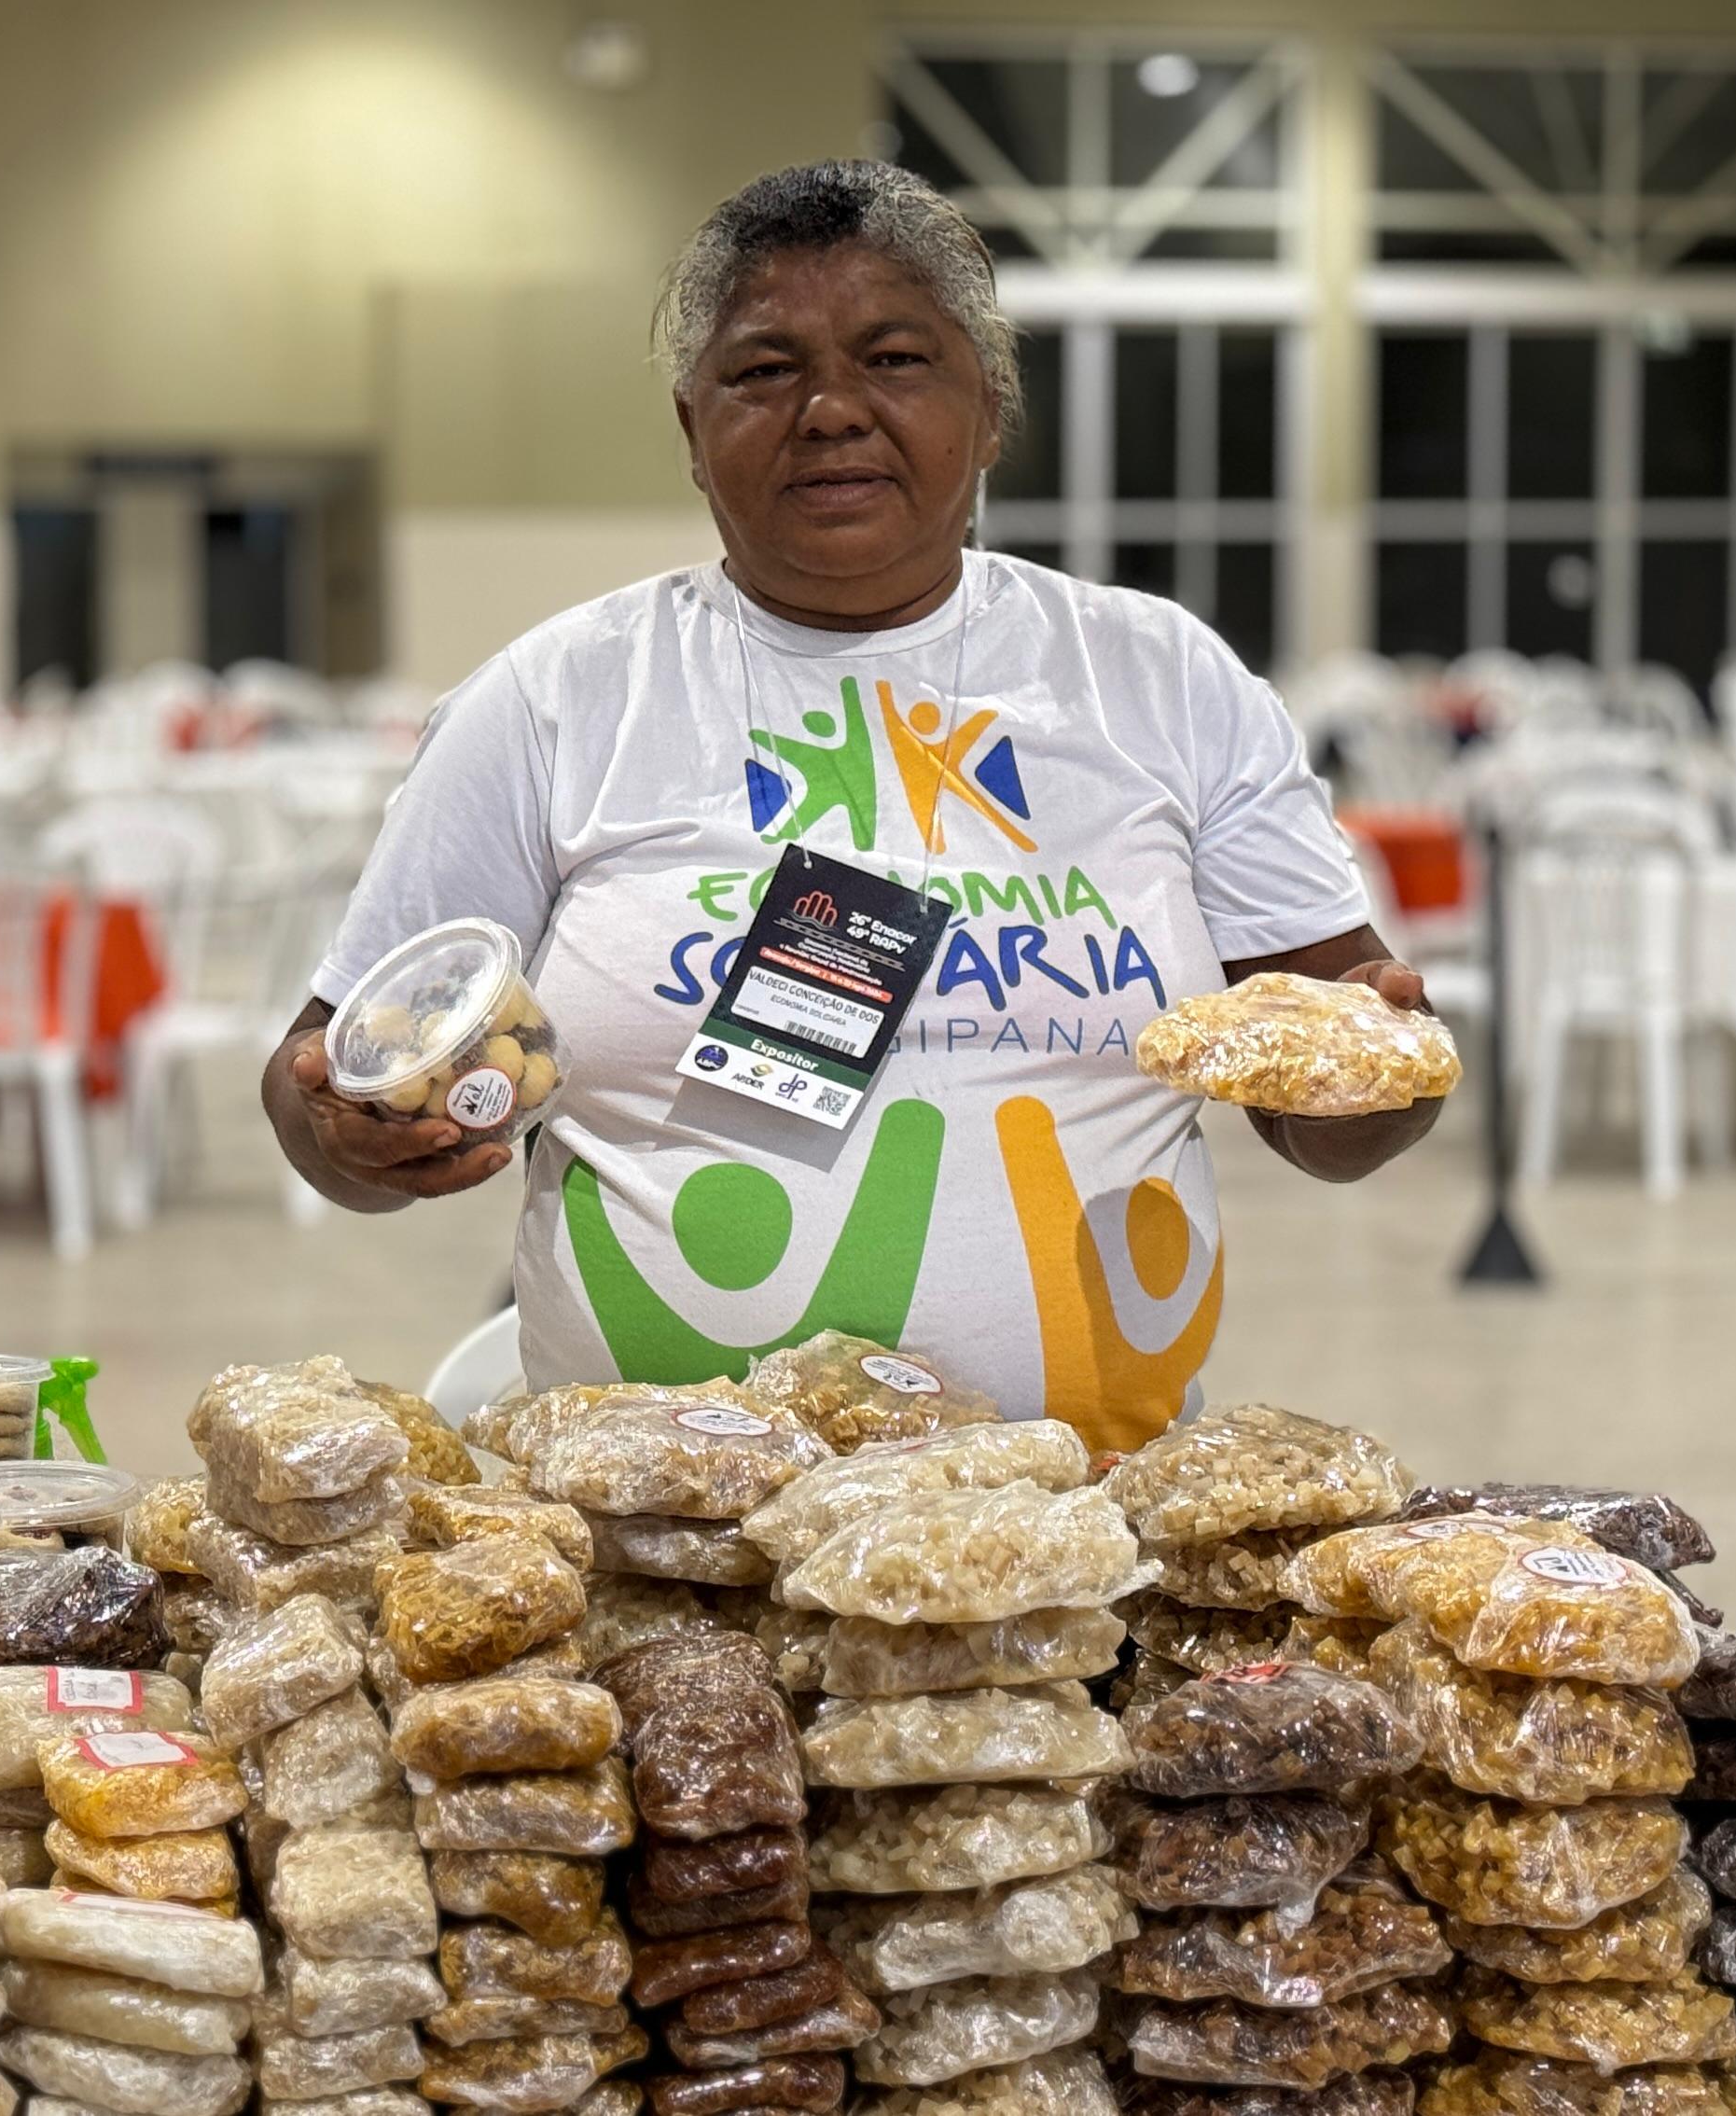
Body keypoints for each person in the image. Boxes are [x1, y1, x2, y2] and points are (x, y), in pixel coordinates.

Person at [262, 160, 1440, 1450]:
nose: (831, 411)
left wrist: (1390, 1081)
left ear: (989, 410)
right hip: (666, 1536)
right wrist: (347, 1136)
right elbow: (332, 1070)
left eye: (895, 359)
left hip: (1085, 1534)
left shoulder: (1160, 680)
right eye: (765, 372)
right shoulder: (554, 700)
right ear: (690, 423)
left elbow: (1339, 1085)